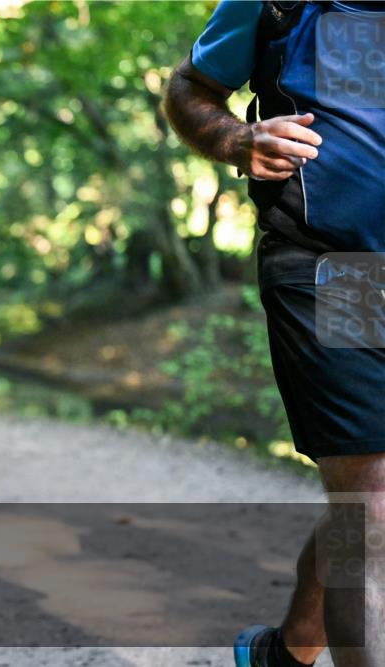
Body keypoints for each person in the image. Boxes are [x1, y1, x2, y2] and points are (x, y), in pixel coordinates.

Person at [165, 2, 384, 666]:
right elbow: (189, 89)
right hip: (340, 269)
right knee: (371, 504)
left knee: (369, 506)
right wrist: (237, 141)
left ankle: (288, 650)